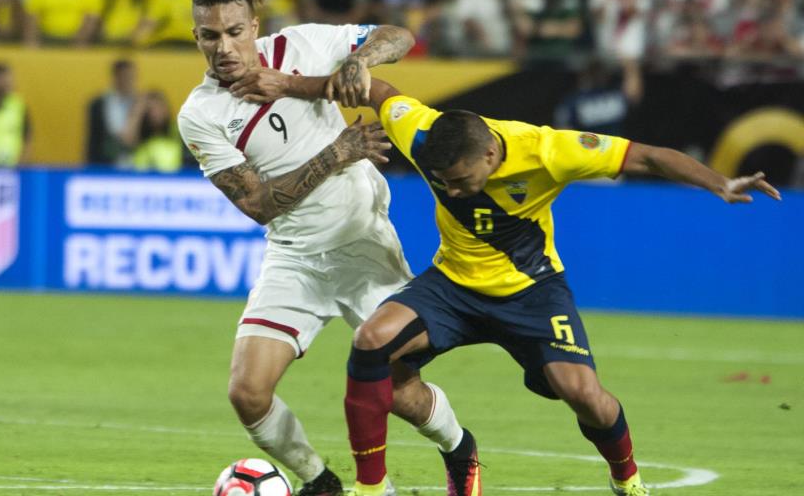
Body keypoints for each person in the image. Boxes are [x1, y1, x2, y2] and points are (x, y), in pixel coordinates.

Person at [332, 78, 780, 496]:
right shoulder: (423, 130)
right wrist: (338, 68)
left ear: (490, 155)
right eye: (443, 182)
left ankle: (626, 479)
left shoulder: (550, 150)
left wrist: (718, 182)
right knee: (371, 341)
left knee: (586, 397)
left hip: (533, 292)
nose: (452, 191)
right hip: (453, 284)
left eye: (461, 180)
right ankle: (371, 487)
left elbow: (646, 156)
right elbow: (378, 89)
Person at [177, 0, 470, 495]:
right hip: (293, 255)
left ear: (254, 25)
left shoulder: (303, 44)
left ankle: (460, 449)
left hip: (362, 242)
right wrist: (337, 153)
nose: (224, 47)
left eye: (233, 31)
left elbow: (400, 37)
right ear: (197, 39)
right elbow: (258, 205)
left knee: (398, 389)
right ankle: (322, 482)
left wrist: (358, 59)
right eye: (210, 36)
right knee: (247, 393)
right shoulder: (200, 114)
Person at [86, 59, 138, 168]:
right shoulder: (98, 104)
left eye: (130, 77)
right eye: (123, 76)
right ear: (115, 77)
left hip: (135, 163)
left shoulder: (140, 103)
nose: (127, 81)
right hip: (106, 163)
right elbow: (93, 140)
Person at [121, 90, 184, 172]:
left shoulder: (175, 130)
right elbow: (127, 140)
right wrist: (139, 108)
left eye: (158, 108)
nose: (155, 113)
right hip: (141, 177)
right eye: (151, 109)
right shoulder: (139, 133)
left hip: (174, 177)